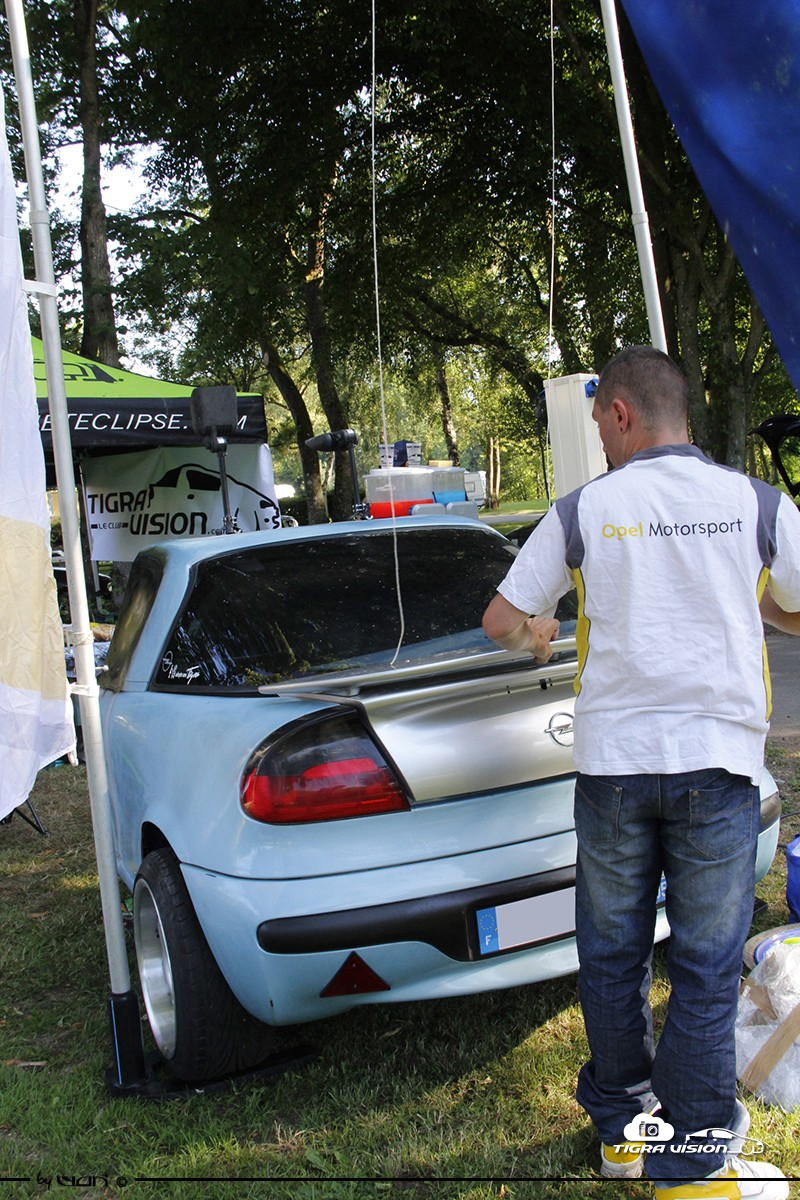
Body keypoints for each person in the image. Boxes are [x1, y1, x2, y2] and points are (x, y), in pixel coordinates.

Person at [483, 345, 800, 1198]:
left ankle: (625, 1133)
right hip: (718, 770)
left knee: (612, 954)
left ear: (621, 414)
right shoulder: (757, 503)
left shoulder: (586, 508)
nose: (601, 439)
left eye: (599, 424)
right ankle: (691, 1160)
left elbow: (501, 619)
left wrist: (535, 638)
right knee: (704, 964)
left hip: (614, 772)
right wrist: (758, 604)